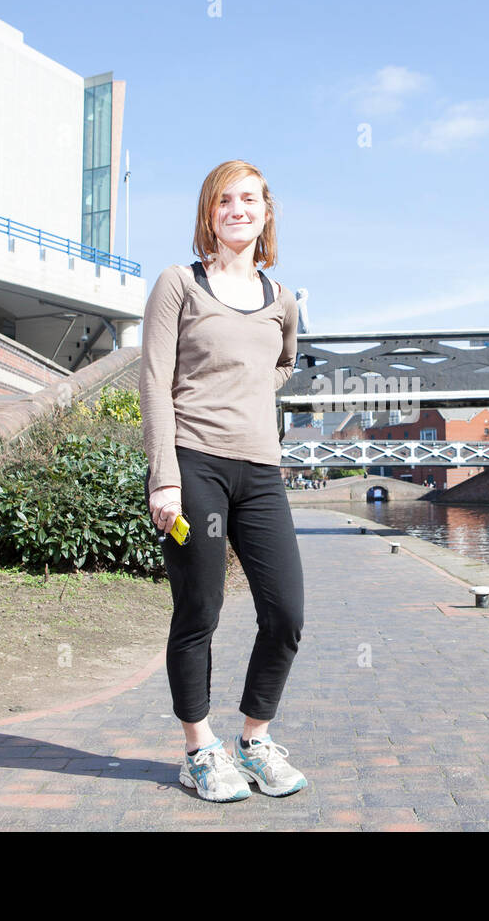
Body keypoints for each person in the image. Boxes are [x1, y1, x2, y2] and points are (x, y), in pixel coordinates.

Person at [140, 160, 307, 803]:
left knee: (286, 612)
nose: (238, 209)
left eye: (250, 200)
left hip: (262, 470)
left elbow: (283, 364)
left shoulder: (282, 299)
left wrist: (245, 399)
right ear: (209, 213)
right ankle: (199, 749)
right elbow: (155, 380)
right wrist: (164, 478)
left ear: (266, 213)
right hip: (194, 465)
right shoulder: (178, 284)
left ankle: (255, 740)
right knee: (200, 610)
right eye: (225, 200)